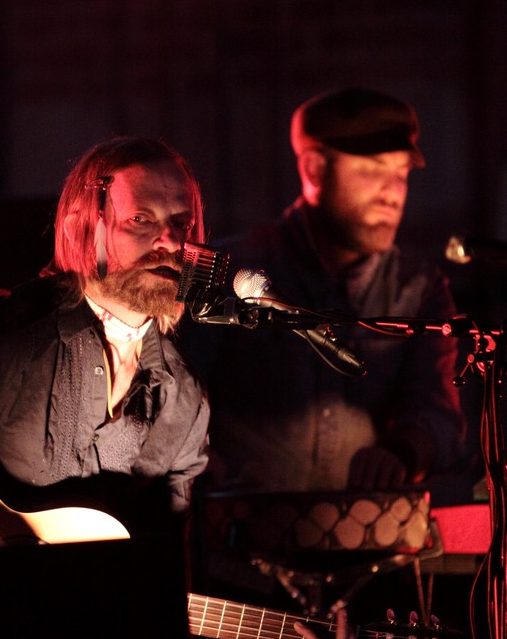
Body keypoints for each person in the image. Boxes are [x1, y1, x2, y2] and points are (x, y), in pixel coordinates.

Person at [0, 136, 357, 639]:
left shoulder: (185, 400)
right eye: (140, 220)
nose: (168, 241)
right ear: (84, 226)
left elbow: (159, 593)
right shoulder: (13, 334)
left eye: (181, 222)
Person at [179, 87, 467, 498]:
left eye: (401, 173)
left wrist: (403, 451)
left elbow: (439, 415)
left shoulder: (420, 290)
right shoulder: (229, 269)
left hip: (372, 551)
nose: (392, 192)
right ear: (314, 169)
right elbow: (171, 392)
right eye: (372, 170)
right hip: (240, 542)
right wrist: (197, 460)